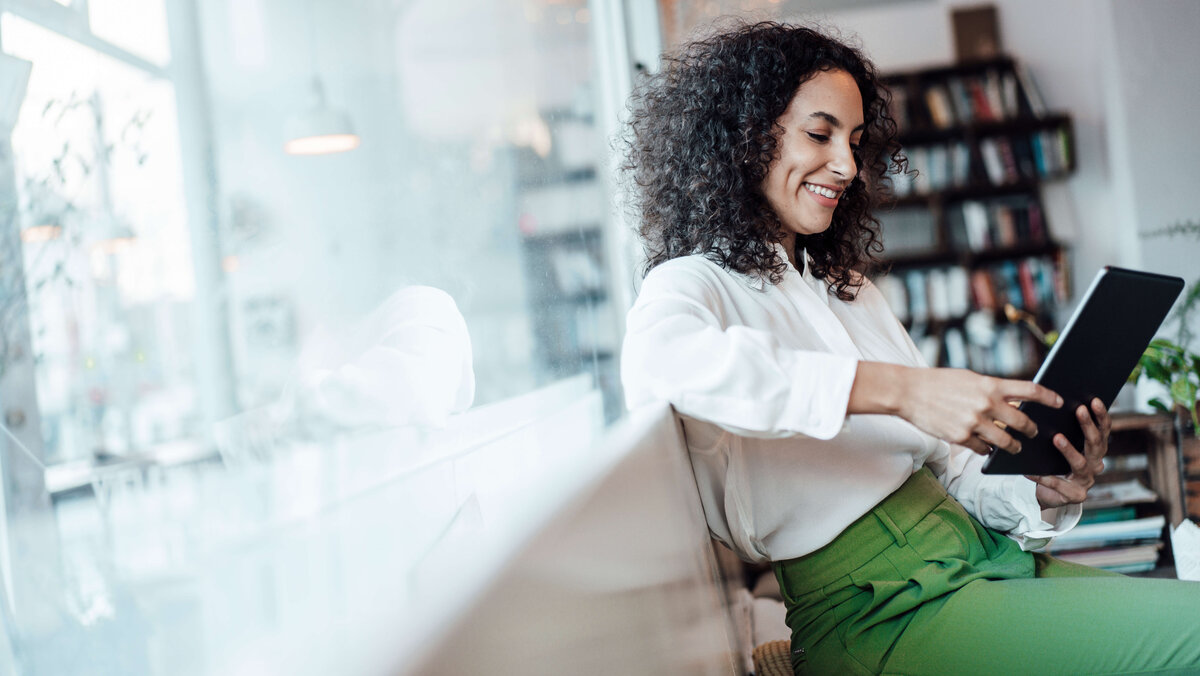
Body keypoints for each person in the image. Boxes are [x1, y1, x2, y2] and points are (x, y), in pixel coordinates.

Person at [619, 21, 1200, 675]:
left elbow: (951, 472)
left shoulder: (849, 293)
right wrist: (904, 391)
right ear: (744, 137)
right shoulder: (692, 283)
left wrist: (1045, 488)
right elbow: (661, 368)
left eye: (854, 142)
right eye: (820, 134)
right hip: (881, 613)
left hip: (978, 561)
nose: (847, 166)